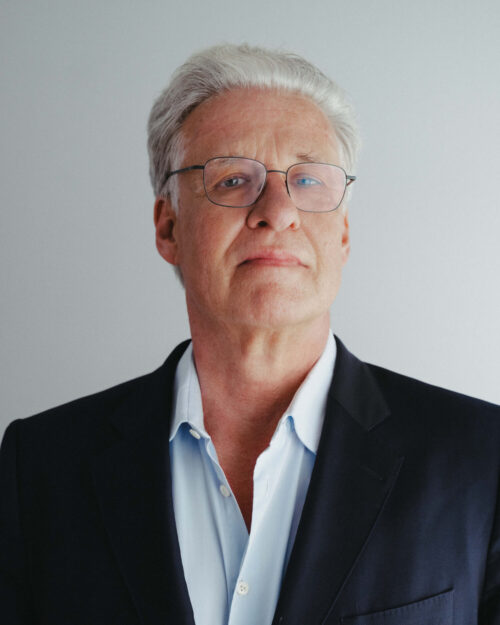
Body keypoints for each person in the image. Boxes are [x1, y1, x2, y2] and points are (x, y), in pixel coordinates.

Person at [1, 43, 499, 625]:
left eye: (308, 180)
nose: (278, 210)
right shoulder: (40, 467)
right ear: (168, 226)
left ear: (342, 233)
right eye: (234, 178)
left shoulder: (482, 458)